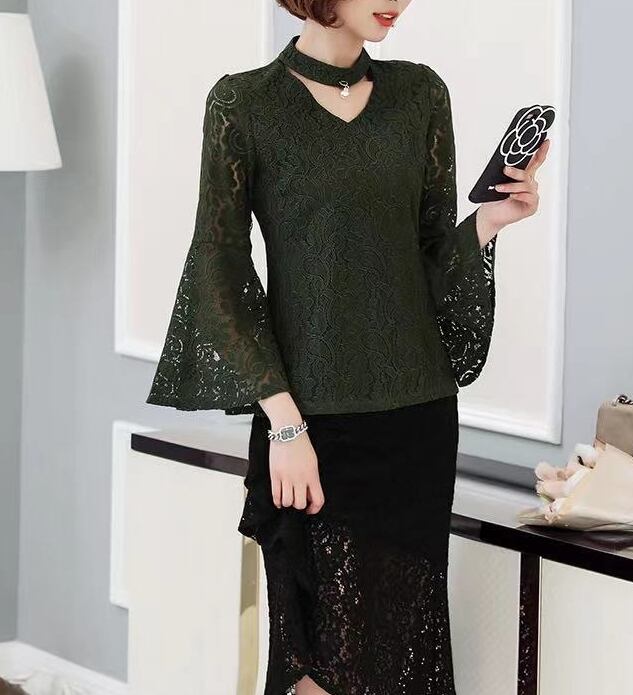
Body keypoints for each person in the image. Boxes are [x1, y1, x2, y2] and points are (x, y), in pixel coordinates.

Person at [146, 1, 550, 693]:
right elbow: (219, 269)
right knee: (314, 670)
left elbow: (428, 257)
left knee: (396, 664)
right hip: (307, 429)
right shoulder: (244, 104)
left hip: (415, 426)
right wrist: (284, 423)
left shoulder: (419, 94)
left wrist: (489, 220)